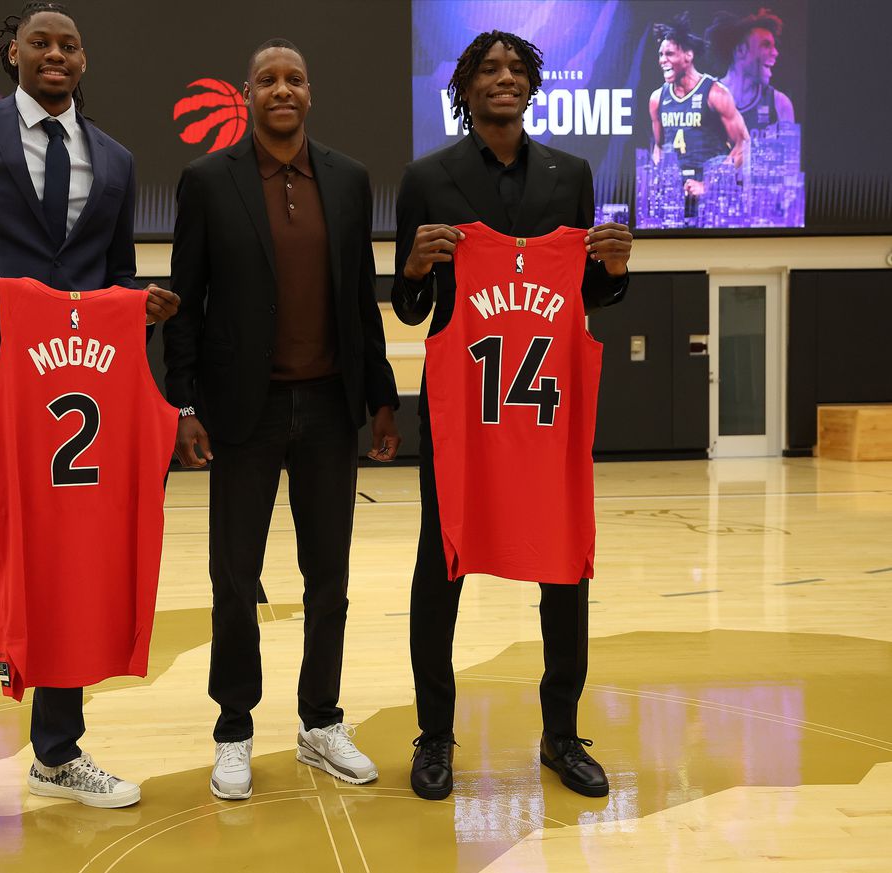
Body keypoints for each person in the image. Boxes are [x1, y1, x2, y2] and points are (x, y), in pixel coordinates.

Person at [0, 1, 180, 849]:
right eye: (41, 42)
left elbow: (117, 274)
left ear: (83, 61)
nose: (55, 54)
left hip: (81, 404)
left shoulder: (120, 159)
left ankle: (58, 752)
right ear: (12, 53)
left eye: (69, 45)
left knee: (70, 575)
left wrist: (145, 309)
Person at [393, 30, 632, 801]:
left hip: (547, 409)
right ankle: (435, 735)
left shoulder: (571, 176)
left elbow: (583, 297)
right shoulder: (428, 178)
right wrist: (415, 268)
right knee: (442, 565)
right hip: (464, 409)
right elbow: (411, 306)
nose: (504, 79)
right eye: (488, 70)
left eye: (516, 70)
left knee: (565, 566)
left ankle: (561, 734)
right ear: (463, 88)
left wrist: (614, 271)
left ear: (534, 86)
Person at [165, 38, 401, 802]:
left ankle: (320, 721)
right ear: (247, 94)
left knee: (327, 577)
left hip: (331, 406)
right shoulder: (207, 181)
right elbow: (185, 302)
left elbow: (361, 295)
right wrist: (186, 402)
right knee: (235, 578)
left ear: (310, 91)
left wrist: (382, 395)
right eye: (267, 80)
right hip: (245, 410)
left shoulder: (348, 178)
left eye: (294, 78)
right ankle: (234, 728)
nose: (281, 90)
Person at [648, 12, 749, 198]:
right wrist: (660, 178)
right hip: (675, 198)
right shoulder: (657, 98)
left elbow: (743, 144)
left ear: (688, 55)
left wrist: (708, 185)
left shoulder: (715, 93)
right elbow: (659, 147)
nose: (663, 60)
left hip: (712, 196)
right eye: (660, 54)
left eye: (669, 54)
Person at [707, 7, 795, 133]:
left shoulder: (780, 104)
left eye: (774, 46)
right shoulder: (705, 97)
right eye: (766, 45)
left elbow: (790, 151)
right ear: (741, 50)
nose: (775, 53)